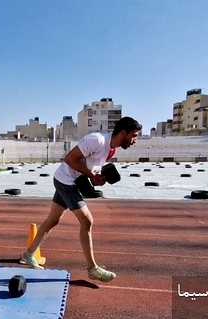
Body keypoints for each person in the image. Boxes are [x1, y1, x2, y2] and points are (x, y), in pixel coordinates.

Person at [19, 116, 142, 281]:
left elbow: (90, 167)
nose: (135, 140)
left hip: (72, 182)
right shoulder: (97, 140)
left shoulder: (112, 150)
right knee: (87, 221)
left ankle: (28, 254)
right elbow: (69, 159)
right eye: (134, 135)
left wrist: (95, 178)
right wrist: (90, 174)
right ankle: (92, 269)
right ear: (123, 133)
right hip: (65, 181)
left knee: (52, 220)